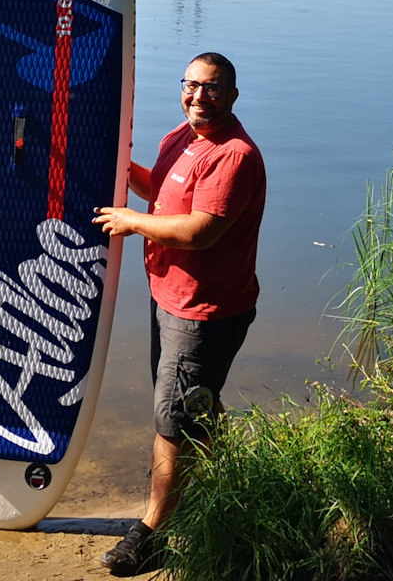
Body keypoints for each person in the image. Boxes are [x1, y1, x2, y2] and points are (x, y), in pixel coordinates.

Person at [91, 52, 266, 576]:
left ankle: (151, 533)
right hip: (171, 298)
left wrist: (130, 221)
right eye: (191, 86)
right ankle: (221, 488)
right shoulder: (180, 138)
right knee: (190, 409)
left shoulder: (234, 155)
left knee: (172, 421)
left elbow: (198, 231)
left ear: (233, 95)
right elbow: (161, 193)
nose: (199, 96)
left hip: (205, 311)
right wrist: (117, 171)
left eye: (212, 89)